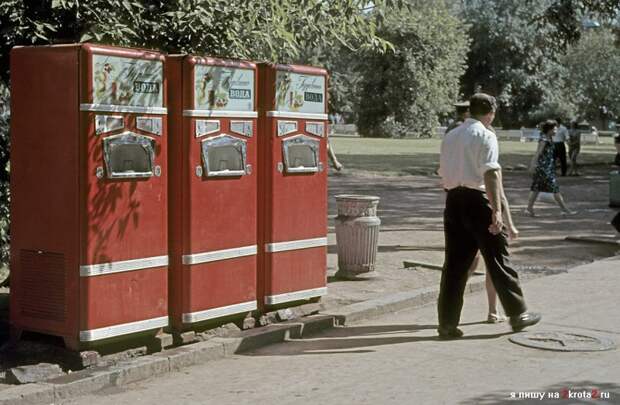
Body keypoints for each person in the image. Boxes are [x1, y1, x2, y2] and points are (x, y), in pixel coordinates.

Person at [437, 93, 541, 338]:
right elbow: (491, 174)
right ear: (490, 112)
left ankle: (447, 322)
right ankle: (518, 313)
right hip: (478, 200)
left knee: (454, 264)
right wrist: (496, 210)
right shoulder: (486, 135)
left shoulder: (451, 135)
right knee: (497, 258)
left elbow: (443, 172)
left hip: (453, 199)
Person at [525, 120, 576, 217]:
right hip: (544, 169)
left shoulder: (549, 139)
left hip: (546, 167)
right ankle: (564, 209)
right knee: (554, 189)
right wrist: (532, 165)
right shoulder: (544, 140)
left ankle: (529, 208)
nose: (556, 131)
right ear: (549, 130)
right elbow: (538, 153)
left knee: (536, 188)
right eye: (554, 129)